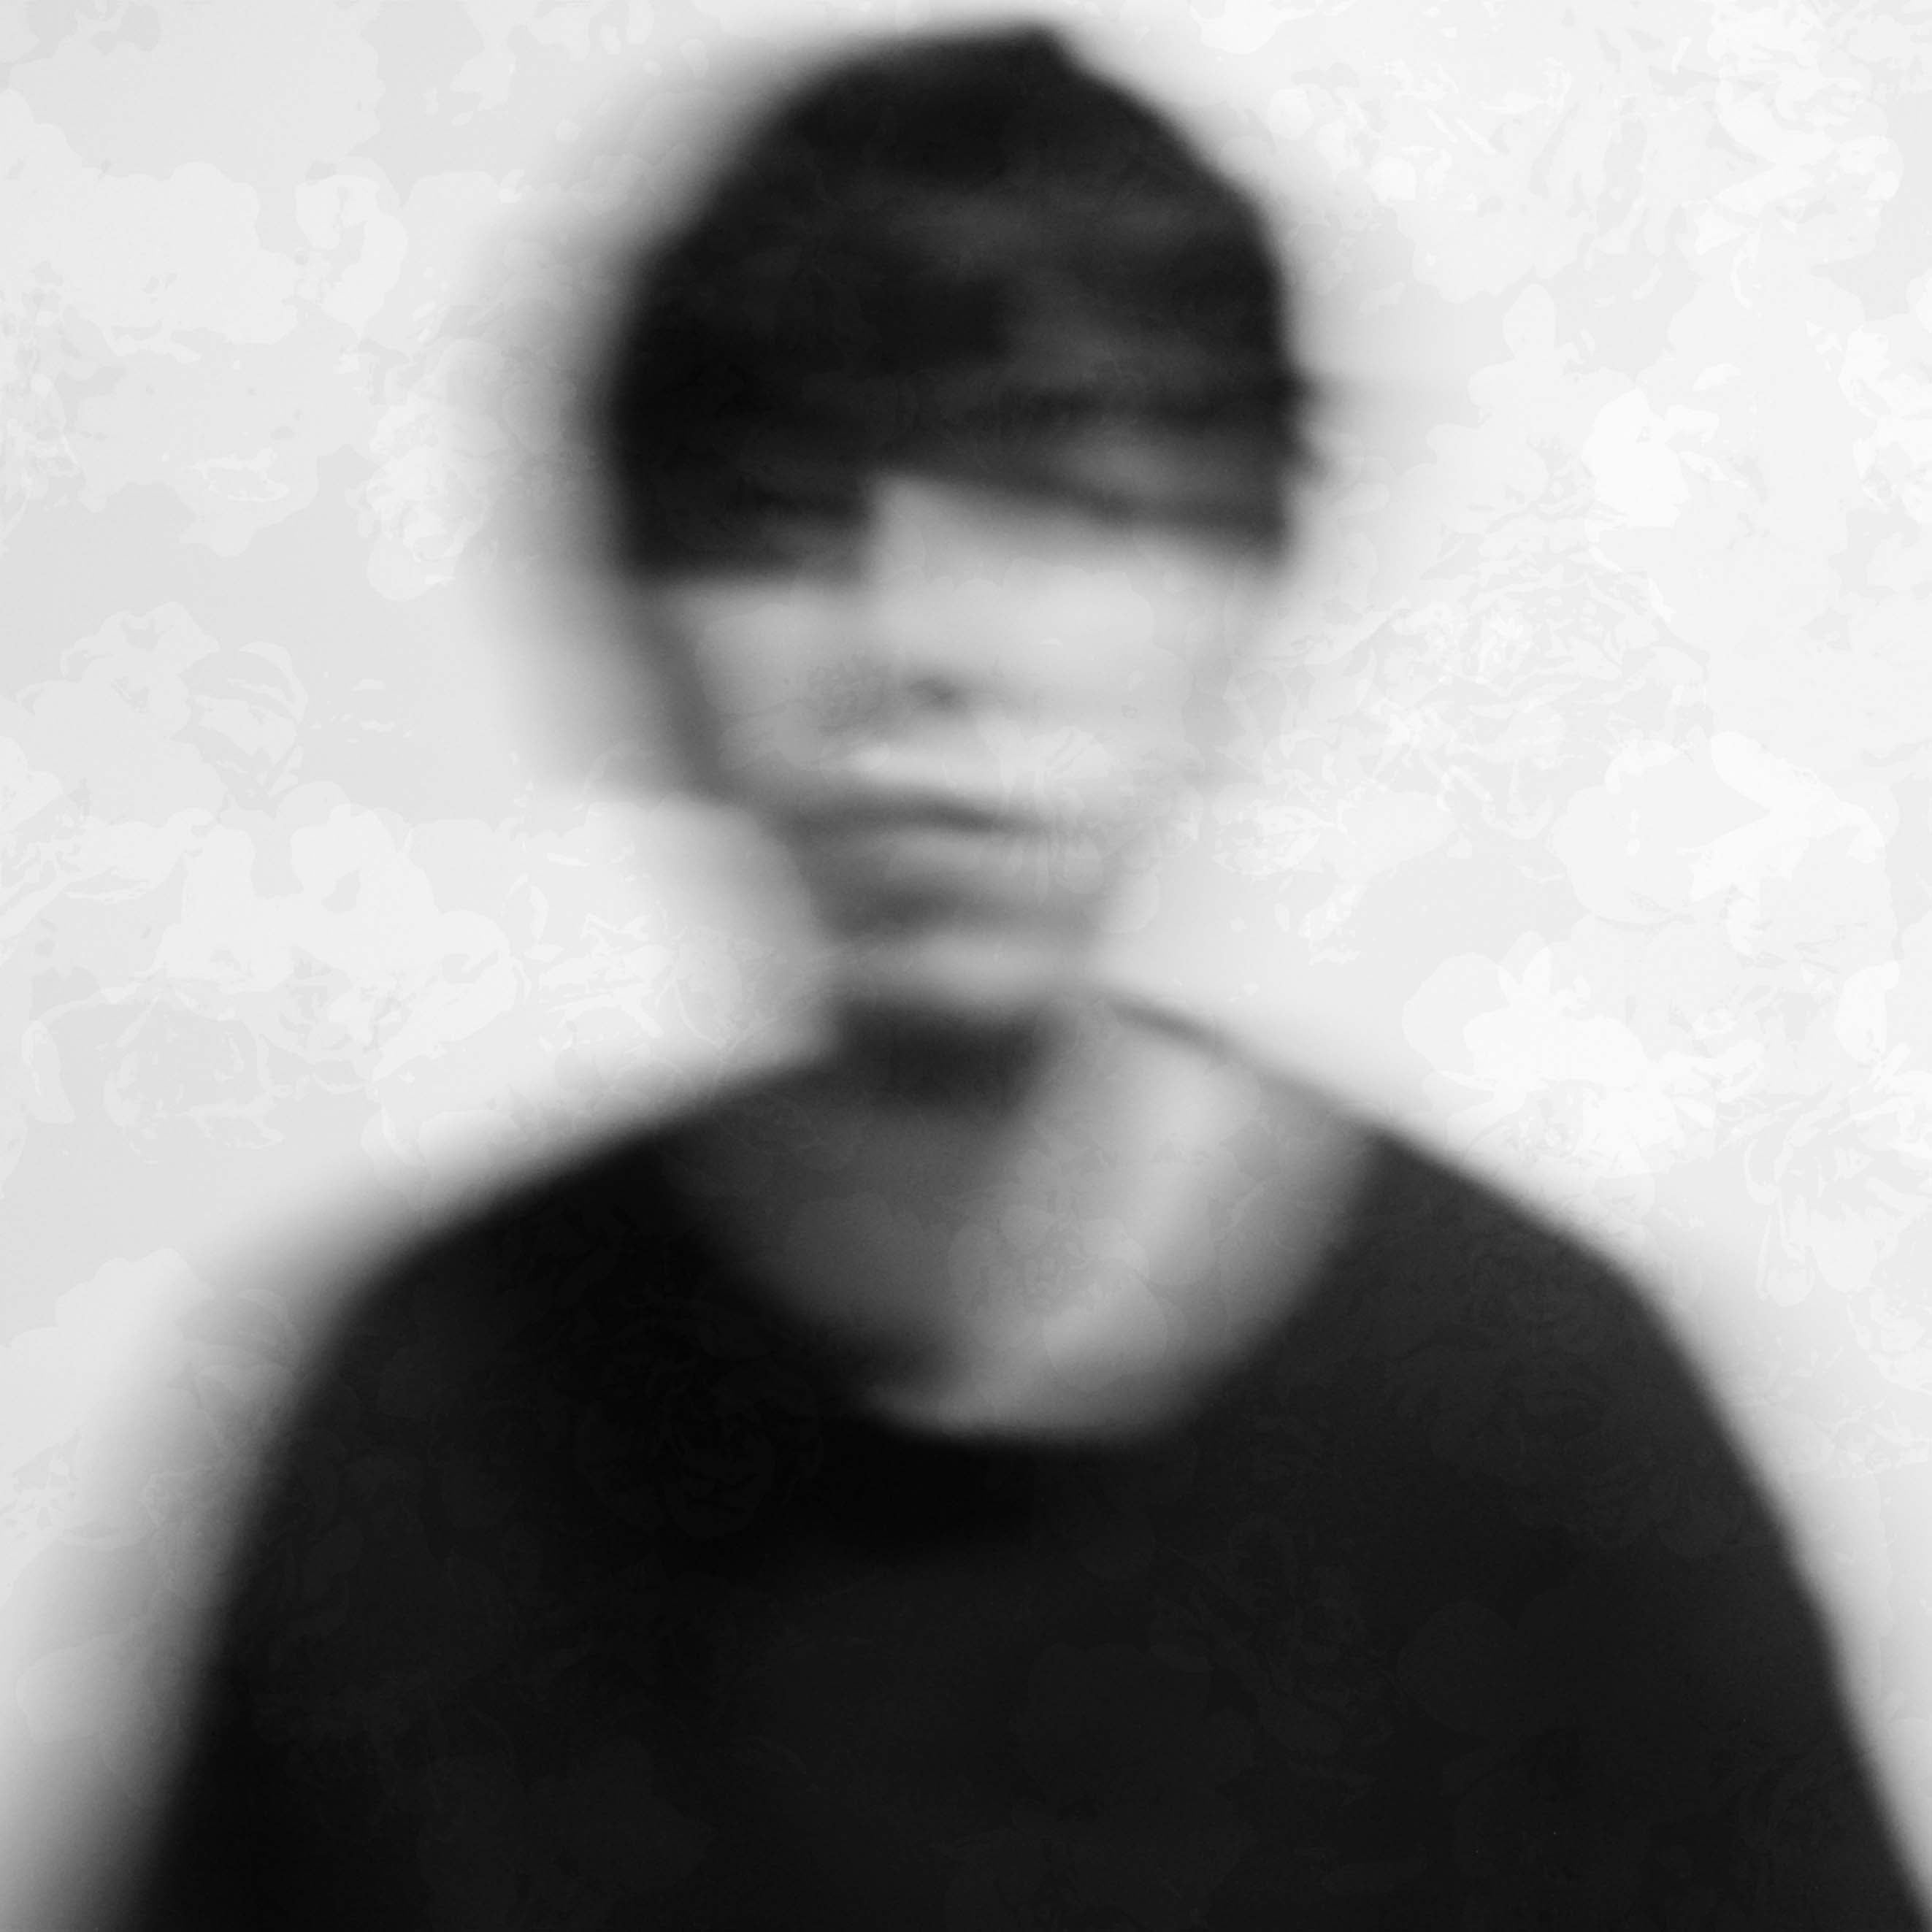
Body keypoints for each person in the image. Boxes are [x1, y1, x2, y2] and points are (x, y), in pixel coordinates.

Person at [96, 23, 1927, 1931]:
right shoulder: (432, 1424)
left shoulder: (1541, 1445)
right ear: (640, 635)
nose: (920, 648)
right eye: (787, 526)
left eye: (1063, 508)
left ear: (1254, 592)